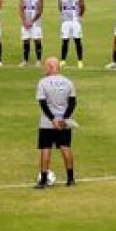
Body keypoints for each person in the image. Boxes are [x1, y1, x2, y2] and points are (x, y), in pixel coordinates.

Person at [35, 57, 77, 188]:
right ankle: (70, 179)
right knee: (65, 147)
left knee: (46, 149)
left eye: (46, 66)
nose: (44, 68)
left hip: (47, 123)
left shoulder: (43, 82)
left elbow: (42, 103)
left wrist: (52, 119)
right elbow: (72, 103)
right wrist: (63, 119)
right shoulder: (68, 82)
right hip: (63, 123)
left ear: (51, 67)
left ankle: (43, 181)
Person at [58, 0, 85, 68]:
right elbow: (60, 7)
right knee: (65, 41)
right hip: (65, 22)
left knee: (77, 41)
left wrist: (78, 16)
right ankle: (63, 60)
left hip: (75, 21)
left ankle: (80, 61)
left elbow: (82, 7)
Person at [18, 0, 44, 67]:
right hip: (26, 23)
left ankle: (38, 60)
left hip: (35, 23)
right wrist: (24, 21)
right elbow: (20, 9)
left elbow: (40, 11)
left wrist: (31, 21)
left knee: (37, 40)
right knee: (26, 40)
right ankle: (25, 61)